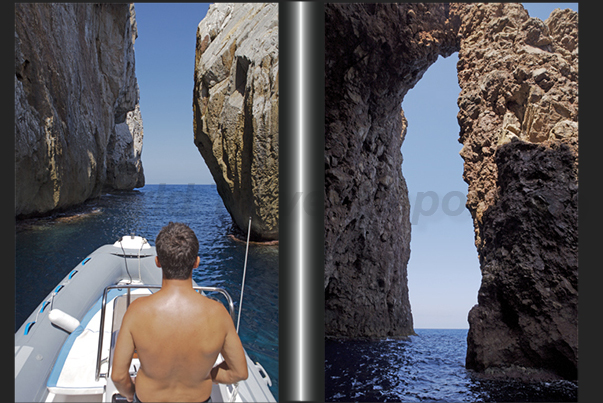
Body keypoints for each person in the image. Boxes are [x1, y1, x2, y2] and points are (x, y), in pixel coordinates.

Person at [111, 222, 248, 402]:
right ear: (196, 262)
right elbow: (239, 372)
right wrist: (208, 374)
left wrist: (130, 394)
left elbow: (119, 376)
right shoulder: (218, 314)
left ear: (157, 262)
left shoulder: (137, 312)